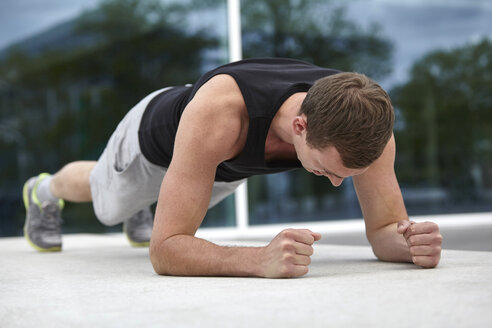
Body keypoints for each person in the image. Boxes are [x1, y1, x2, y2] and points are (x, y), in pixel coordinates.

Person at [23, 58, 443, 278]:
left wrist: (410, 245)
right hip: (154, 144)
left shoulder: (365, 127)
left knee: (177, 199)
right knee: (106, 204)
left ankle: (156, 201)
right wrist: (259, 260)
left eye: (345, 177)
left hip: (221, 167)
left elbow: (384, 230)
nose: (337, 185)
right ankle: (44, 190)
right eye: (328, 170)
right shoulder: (221, 113)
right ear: (301, 126)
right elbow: (165, 251)